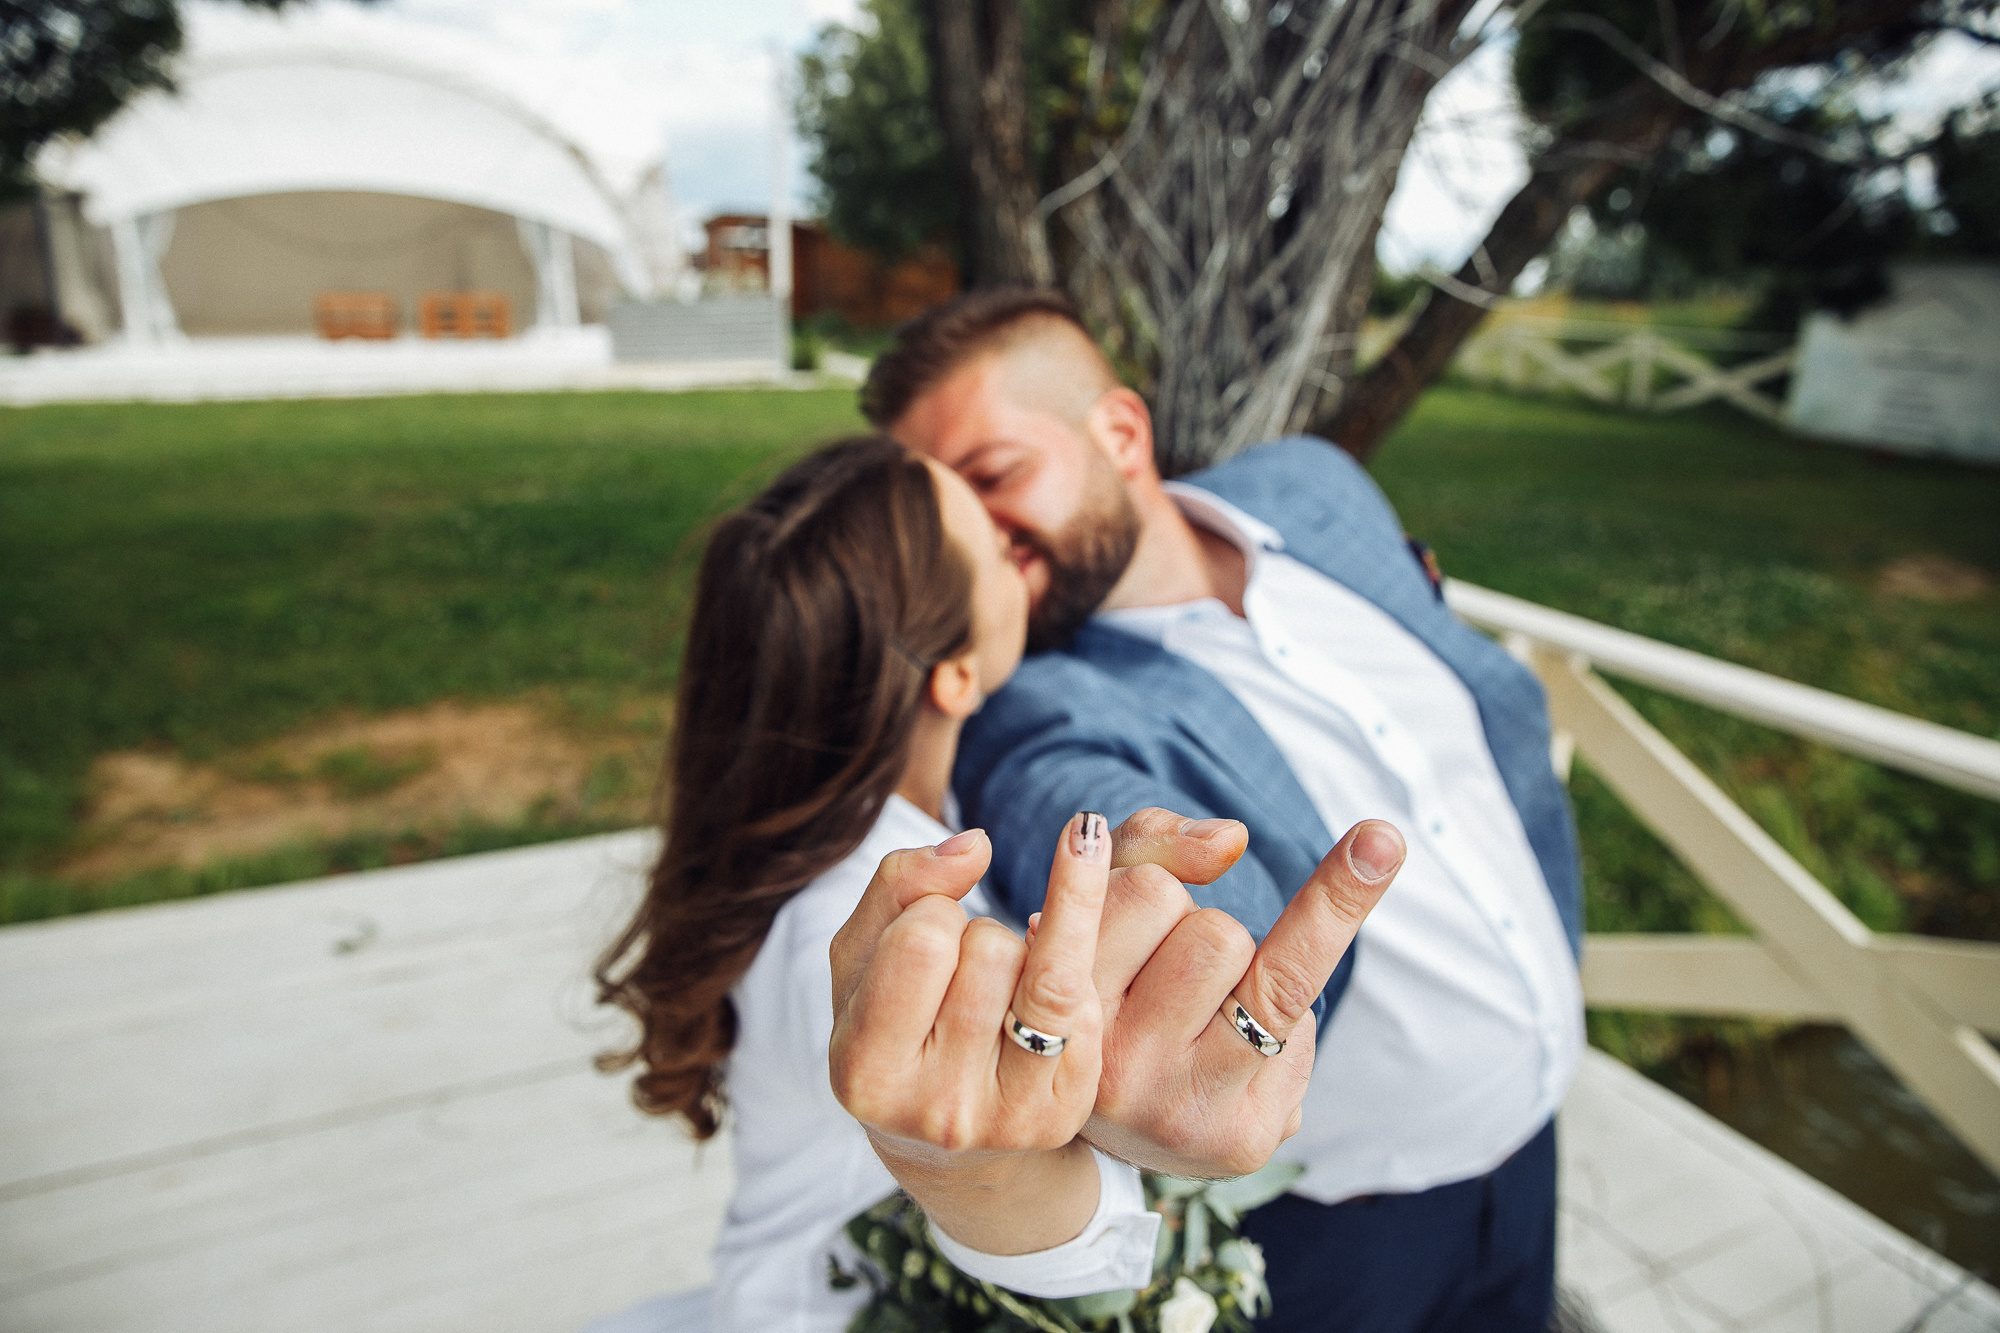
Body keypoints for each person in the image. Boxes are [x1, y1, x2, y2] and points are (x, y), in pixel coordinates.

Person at [867, 289, 1588, 1333]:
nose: (975, 539)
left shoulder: (1311, 485)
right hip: (1343, 1244)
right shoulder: (1031, 709)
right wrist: (1153, 936)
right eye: (947, 517)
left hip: (1533, 1143)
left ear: (1120, 433)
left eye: (993, 476)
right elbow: (1097, 828)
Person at [590, 435, 1405, 1333]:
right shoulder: (856, 916)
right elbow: (967, 1136)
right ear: (954, 674)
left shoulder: (832, 832)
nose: (1026, 548)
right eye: (1000, 551)